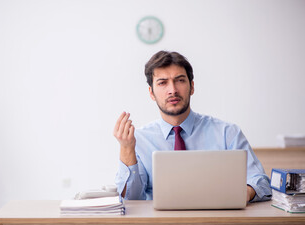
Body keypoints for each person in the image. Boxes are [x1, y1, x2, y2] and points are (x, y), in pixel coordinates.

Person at [113, 51, 272, 202]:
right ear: (151, 93)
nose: (173, 90)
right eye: (162, 83)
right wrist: (127, 148)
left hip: (215, 223)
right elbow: (131, 199)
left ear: (192, 87)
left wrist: (244, 193)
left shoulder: (227, 133)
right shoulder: (139, 140)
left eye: (180, 80)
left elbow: (261, 182)